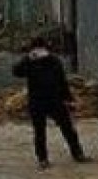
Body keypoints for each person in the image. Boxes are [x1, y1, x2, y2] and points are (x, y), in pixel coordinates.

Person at [13, 36, 90, 170]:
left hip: (55, 100)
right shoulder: (30, 61)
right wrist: (27, 58)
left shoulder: (54, 61)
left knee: (67, 127)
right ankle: (42, 159)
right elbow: (16, 72)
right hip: (37, 101)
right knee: (40, 131)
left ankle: (77, 153)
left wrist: (69, 99)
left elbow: (62, 81)